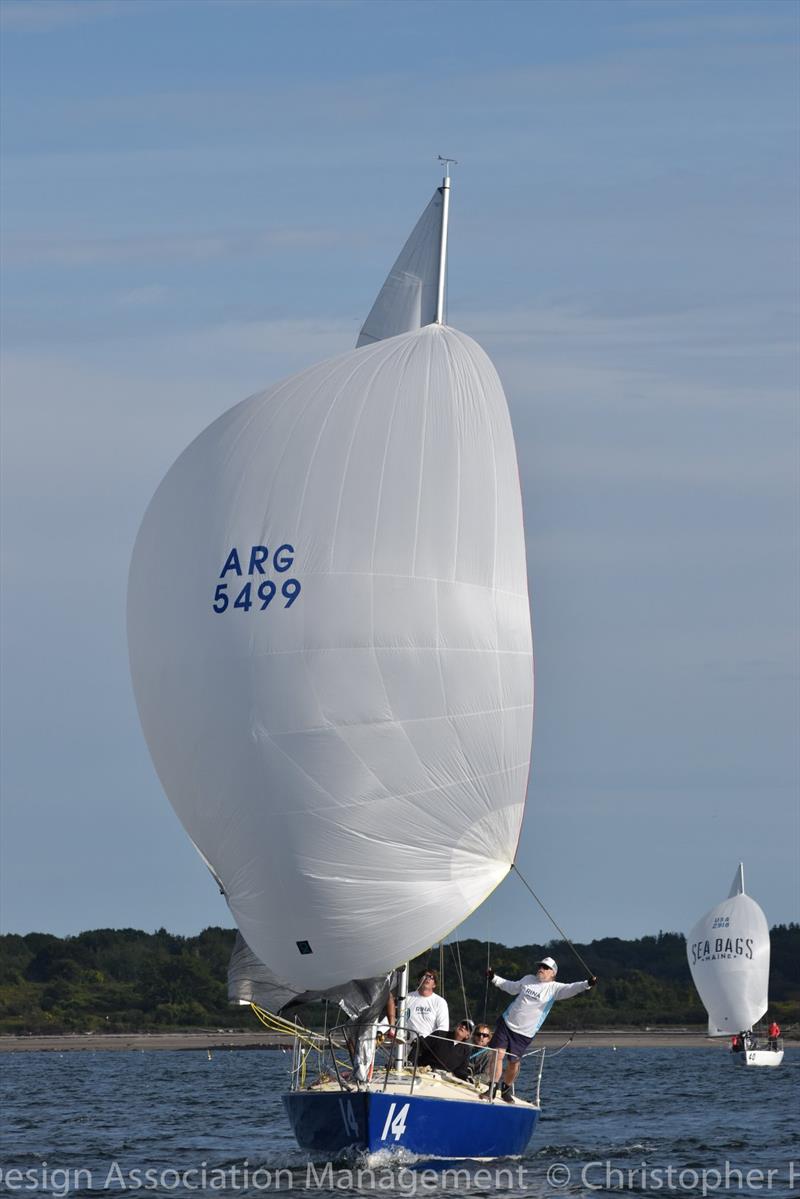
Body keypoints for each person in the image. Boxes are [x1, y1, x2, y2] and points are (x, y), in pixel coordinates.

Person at [483, 956, 597, 1103]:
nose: (541, 969)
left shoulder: (555, 988)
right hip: (507, 1023)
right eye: (540, 966)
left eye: (545, 967)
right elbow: (511, 987)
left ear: (553, 973)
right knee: (498, 1054)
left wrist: (587, 983)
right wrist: (493, 978)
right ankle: (492, 1089)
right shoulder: (528, 979)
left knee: (513, 1063)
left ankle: (505, 1089)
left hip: (524, 1033)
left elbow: (571, 988)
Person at [387, 969, 449, 1046]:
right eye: (425, 976)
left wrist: (426, 1043)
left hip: (428, 1047)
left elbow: (443, 1028)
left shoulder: (440, 1002)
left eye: (431, 977)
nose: (427, 978)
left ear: (434, 985)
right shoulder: (407, 998)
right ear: (419, 981)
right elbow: (393, 1014)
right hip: (406, 1045)